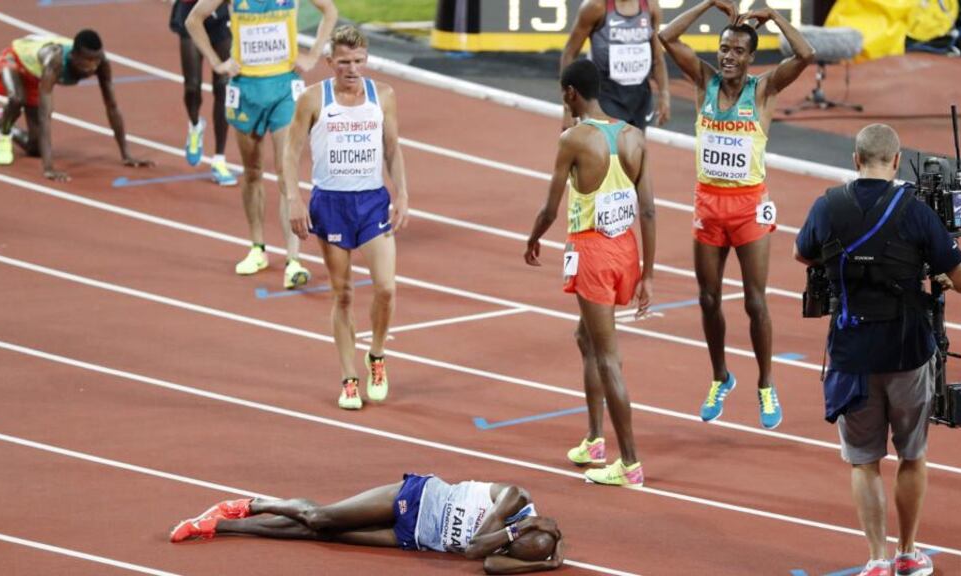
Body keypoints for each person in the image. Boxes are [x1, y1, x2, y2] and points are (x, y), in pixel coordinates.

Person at [794, 124, 961, 576]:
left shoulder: (828, 205)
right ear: (897, 162)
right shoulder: (915, 211)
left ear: (855, 159)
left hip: (851, 354)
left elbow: (804, 253)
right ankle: (908, 553)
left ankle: (875, 558)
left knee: (864, 462)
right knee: (912, 454)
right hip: (907, 351)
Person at [658, 0, 814, 429]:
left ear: (750, 58)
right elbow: (666, 37)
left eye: (737, 51)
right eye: (723, 48)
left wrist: (775, 15)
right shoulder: (704, 81)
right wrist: (707, 2)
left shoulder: (762, 91)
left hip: (748, 207)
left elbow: (805, 55)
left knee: (754, 300)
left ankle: (766, 383)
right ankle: (720, 376)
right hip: (709, 205)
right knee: (707, 298)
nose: (728, 56)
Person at [525, 59, 656, 488]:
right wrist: (649, 274)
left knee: (607, 357)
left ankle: (630, 463)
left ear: (569, 94)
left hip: (592, 253)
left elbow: (550, 207)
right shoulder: (634, 135)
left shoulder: (574, 139)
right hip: (627, 251)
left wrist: (533, 238)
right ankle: (595, 440)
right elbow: (649, 210)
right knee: (585, 338)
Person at [285, 26, 409, 410]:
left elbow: (392, 148)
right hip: (330, 203)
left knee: (386, 288)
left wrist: (402, 191)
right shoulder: (312, 99)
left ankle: (376, 356)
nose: (352, 69)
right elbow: (290, 153)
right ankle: (348, 378)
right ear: (329, 62)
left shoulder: (382, 96)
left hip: (372, 202)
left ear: (366, 58)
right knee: (343, 295)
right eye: (343, 63)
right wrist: (294, 199)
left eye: (358, 61)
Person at [185, 0, 338, 289]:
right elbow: (194, 19)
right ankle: (257, 248)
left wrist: (313, 55)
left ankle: (294, 261)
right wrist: (218, 63)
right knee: (252, 171)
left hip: (283, 88)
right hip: (246, 89)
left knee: (285, 171)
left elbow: (329, 10)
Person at [168, 474, 564, 574]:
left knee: (316, 535)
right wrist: (511, 531)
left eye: (513, 550)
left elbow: (491, 565)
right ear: (525, 528)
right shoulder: (516, 497)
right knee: (320, 516)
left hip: (412, 537)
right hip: (415, 497)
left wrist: (543, 564)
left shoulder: (512, 548)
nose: (508, 550)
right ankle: (253, 503)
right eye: (515, 544)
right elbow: (478, 547)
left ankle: (217, 526)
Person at [0, 30, 154, 181]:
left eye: (96, 61)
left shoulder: (102, 64)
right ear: (73, 56)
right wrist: (49, 167)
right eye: (87, 61)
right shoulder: (56, 61)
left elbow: (112, 106)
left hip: (37, 75)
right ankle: (4, 134)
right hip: (16, 60)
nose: (92, 67)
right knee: (16, 99)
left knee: (35, 148)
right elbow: (46, 115)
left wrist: (126, 154)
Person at [560, 0, 670, 131]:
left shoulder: (650, 6)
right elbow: (569, 54)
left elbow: (657, 57)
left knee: (635, 149)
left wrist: (664, 94)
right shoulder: (595, 7)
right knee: (605, 147)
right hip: (604, 94)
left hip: (639, 95)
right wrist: (568, 108)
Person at [168, 0, 236, 185]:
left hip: (219, 15)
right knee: (192, 85)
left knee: (223, 86)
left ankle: (219, 159)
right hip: (190, 12)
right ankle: (195, 125)